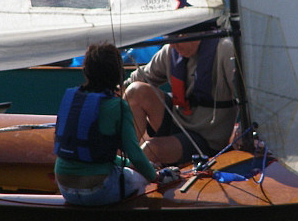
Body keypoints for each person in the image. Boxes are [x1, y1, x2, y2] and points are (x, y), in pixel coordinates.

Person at [54, 42, 179, 206]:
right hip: (97, 190)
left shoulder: (71, 98)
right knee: (143, 180)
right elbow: (134, 153)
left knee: (126, 171)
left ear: (86, 71)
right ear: (117, 73)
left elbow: (93, 151)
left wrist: (128, 164)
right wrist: (157, 176)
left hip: (64, 187)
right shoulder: (117, 106)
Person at [123, 34, 237, 166]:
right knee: (135, 91)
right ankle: (119, 161)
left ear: (195, 34)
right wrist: (115, 91)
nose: (172, 44)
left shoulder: (225, 50)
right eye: (170, 38)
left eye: (177, 37)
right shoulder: (171, 50)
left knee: (150, 150)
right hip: (178, 121)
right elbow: (140, 77)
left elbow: (247, 97)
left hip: (206, 139)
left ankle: (125, 177)